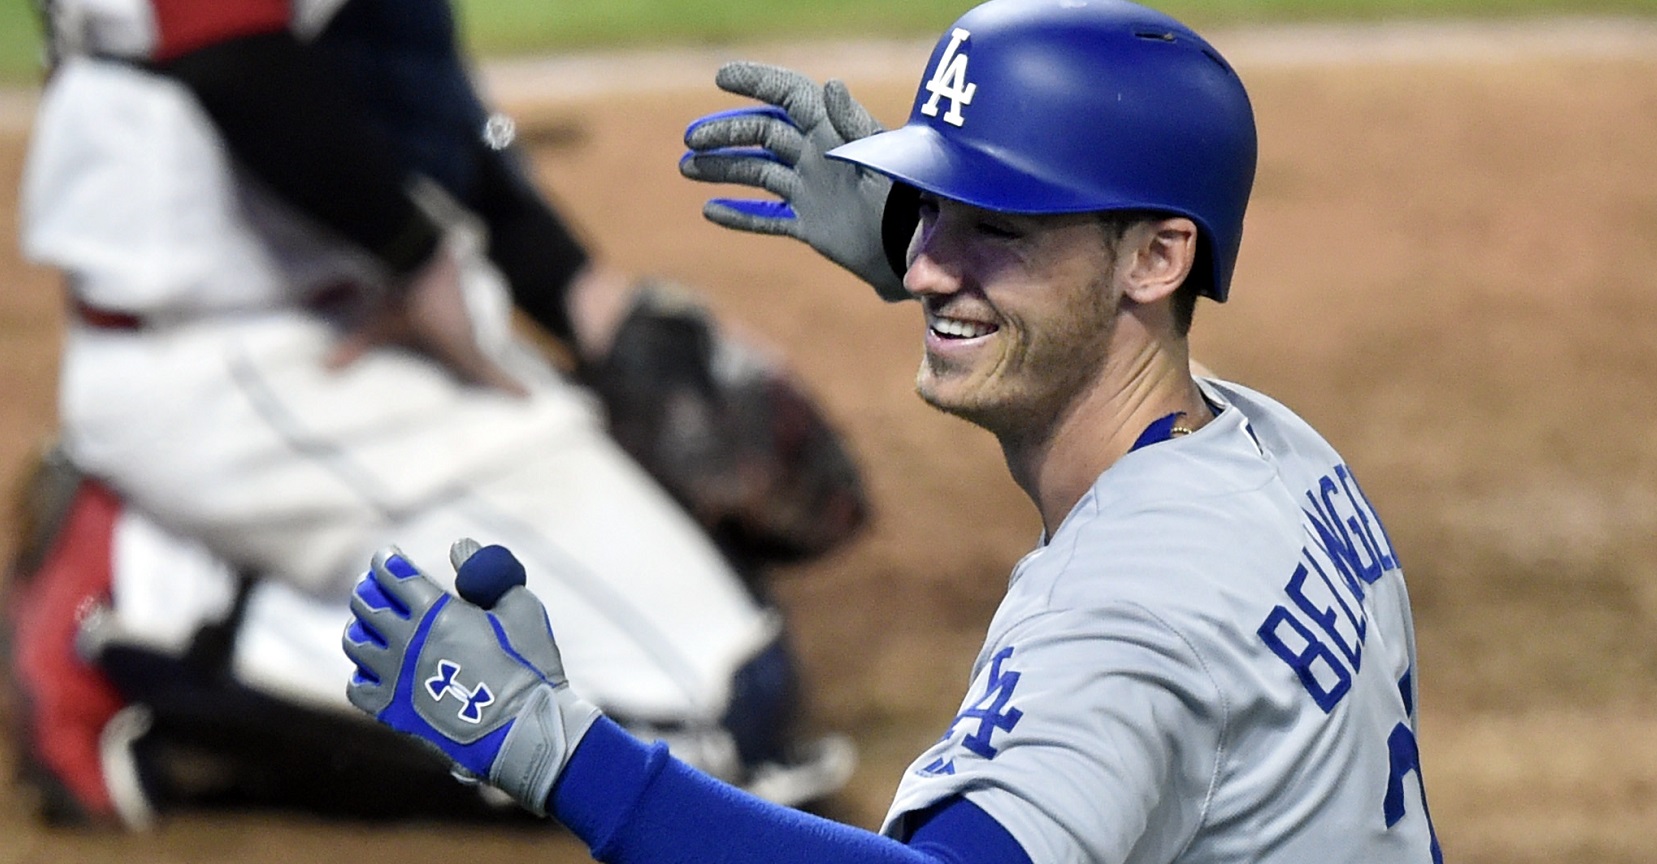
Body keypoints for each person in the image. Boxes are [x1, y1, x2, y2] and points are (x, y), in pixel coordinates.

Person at [341, 0, 1447, 861]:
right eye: (925, 212)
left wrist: (559, 750)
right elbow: (1091, 357)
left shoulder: (1122, 616)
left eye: (995, 227)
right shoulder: (1279, 454)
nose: (921, 262)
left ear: (1155, 257)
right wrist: (976, 277)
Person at [4, 0, 866, 829]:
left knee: (736, 657)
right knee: (700, 727)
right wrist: (414, 260)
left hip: (336, 328)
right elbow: (227, 42)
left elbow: (396, 78)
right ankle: (155, 593)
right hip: (250, 359)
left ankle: (194, 562)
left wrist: (578, 295)